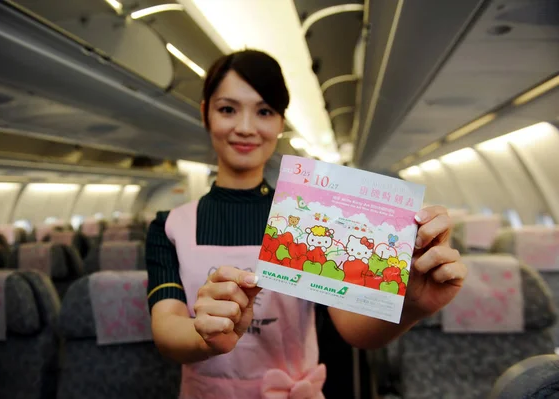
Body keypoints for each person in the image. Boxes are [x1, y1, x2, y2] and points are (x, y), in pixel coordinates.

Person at [146, 49, 466, 399]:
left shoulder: (309, 215)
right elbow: (167, 330)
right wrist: (205, 336)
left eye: (264, 112)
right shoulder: (169, 225)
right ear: (205, 112)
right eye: (227, 109)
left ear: (280, 123)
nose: (245, 127)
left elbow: (354, 331)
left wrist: (413, 305)